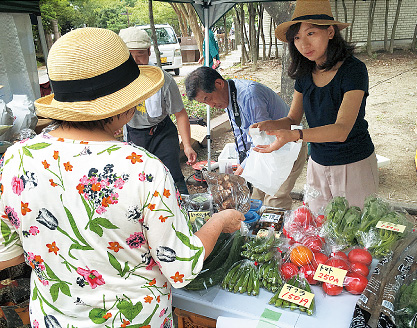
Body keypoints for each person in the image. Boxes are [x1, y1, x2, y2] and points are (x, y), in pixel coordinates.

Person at [0, 27, 244, 328]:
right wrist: (219, 221)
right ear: (123, 105)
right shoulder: (143, 168)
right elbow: (180, 268)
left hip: (55, 319)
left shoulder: (16, 158)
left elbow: (0, 256)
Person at [253, 0, 378, 213]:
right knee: (320, 226)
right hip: (318, 163)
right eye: (297, 38)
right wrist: (269, 125)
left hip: (353, 162)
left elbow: (341, 130)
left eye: (311, 34)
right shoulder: (305, 73)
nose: (303, 44)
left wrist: (295, 136)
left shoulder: (353, 71)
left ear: (330, 32)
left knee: (355, 230)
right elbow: (292, 119)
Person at [185, 66, 307, 210]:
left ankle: (275, 232)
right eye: (205, 103)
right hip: (265, 152)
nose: (211, 105)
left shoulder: (249, 95)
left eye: (208, 99)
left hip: (286, 149)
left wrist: (241, 169)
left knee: (274, 202)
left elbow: (263, 138)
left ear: (219, 84)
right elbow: (241, 135)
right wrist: (241, 167)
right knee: (255, 199)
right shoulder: (229, 96)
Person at [119, 26, 196, 195]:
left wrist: (188, 146)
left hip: (162, 133)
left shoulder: (163, 80)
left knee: (172, 176)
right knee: (140, 179)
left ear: (148, 51)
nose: (135, 60)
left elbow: (180, 113)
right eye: (130, 55)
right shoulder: (119, 81)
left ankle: (183, 209)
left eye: (140, 54)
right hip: (134, 134)